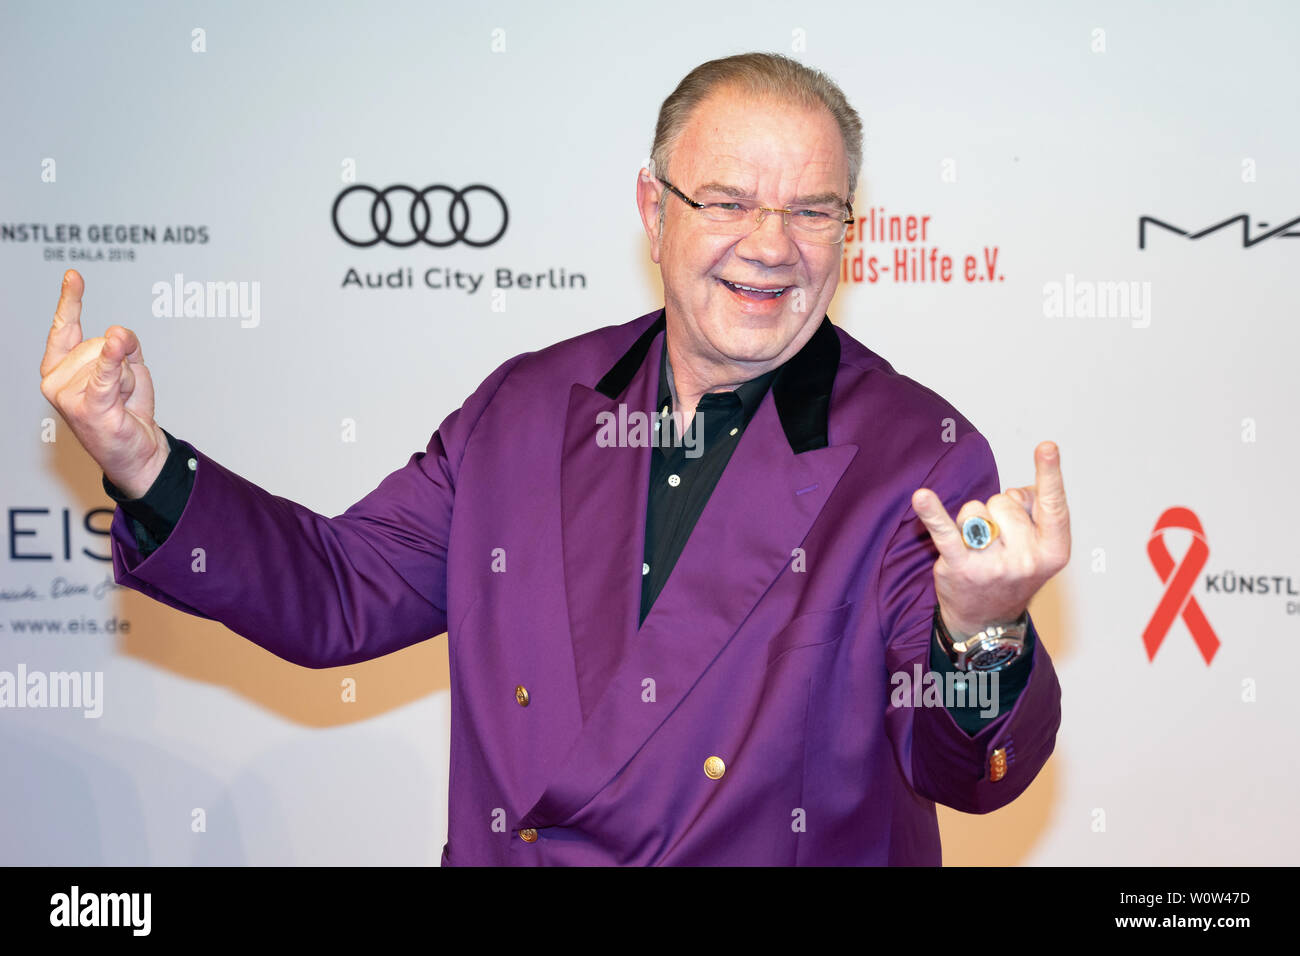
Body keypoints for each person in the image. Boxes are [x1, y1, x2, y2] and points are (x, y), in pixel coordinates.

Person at [39, 52, 1067, 865]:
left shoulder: (913, 456)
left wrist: (980, 632)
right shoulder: (525, 409)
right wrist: (142, 459)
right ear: (652, 209)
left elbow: (966, 771)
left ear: (849, 229)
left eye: (812, 209)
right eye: (726, 200)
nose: (771, 243)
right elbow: (336, 592)